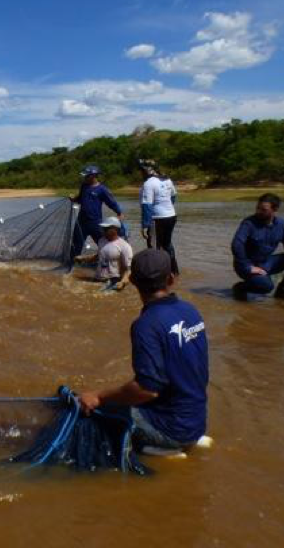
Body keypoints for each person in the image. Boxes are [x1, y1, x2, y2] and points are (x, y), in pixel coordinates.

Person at [78, 249, 209, 451]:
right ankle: (188, 440)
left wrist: (98, 396)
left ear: (133, 281)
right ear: (171, 279)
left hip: (171, 431)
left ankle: (161, 450)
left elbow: (147, 389)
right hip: (197, 422)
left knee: (93, 411)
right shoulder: (191, 311)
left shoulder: (146, 325)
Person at [231, 193, 284, 302]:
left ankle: (283, 291)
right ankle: (240, 288)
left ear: (275, 209)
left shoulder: (283, 225)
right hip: (246, 264)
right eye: (257, 208)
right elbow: (237, 244)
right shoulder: (248, 223)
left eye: (263, 209)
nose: (258, 211)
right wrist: (247, 267)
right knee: (266, 287)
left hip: (267, 262)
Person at [70, 165, 124, 262]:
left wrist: (119, 212)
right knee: (75, 244)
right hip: (81, 222)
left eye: (87, 176)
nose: (84, 177)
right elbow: (80, 199)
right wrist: (74, 199)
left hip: (96, 223)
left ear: (93, 176)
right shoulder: (84, 186)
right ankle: (71, 265)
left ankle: (109, 261)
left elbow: (111, 202)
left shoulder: (102, 189)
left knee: (104, 244)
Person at [139, 159, 179, 275]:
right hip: (171, 216)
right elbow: (173, 196)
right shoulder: (167, 179)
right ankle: (174, 271)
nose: (141, 173)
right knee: (167, 244)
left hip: (157, 219)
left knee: (153, 247)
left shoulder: (149, 183)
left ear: (147, 170)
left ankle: (156, 273)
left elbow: (147, 205)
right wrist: (166, 208)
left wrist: (145, 225)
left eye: (142, 170)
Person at [75, 216, 133, 290]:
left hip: (113, 281)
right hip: (98, 278)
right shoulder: (101, 241)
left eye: (106, 228)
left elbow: (128, 270)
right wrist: (83, 258)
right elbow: (99, 256)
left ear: (115, 229)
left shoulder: (125, 246)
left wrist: (123, 282)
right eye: (103, 228)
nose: (103, 230)